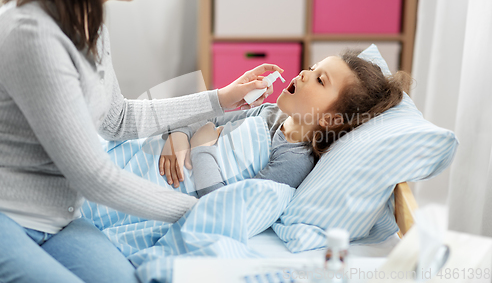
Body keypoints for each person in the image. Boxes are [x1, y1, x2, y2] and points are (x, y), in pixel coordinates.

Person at [0, 0, 283, 282]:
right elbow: (94, 177)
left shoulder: (87, 18)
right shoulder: (33, 35)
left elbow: (119, 119)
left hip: (59, 218)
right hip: (3, 213)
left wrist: (221, 98)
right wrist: (197, 210)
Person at [160, 50, 411, 197]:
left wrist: (201, 147)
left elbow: (224, 204)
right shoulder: (268, 114)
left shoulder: (293, 161)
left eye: (320, 80)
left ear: (331, 119)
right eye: (312, 68)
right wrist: (179, 133)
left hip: (170, 187)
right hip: (160, 157)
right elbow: (207, 118)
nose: (304, 73)